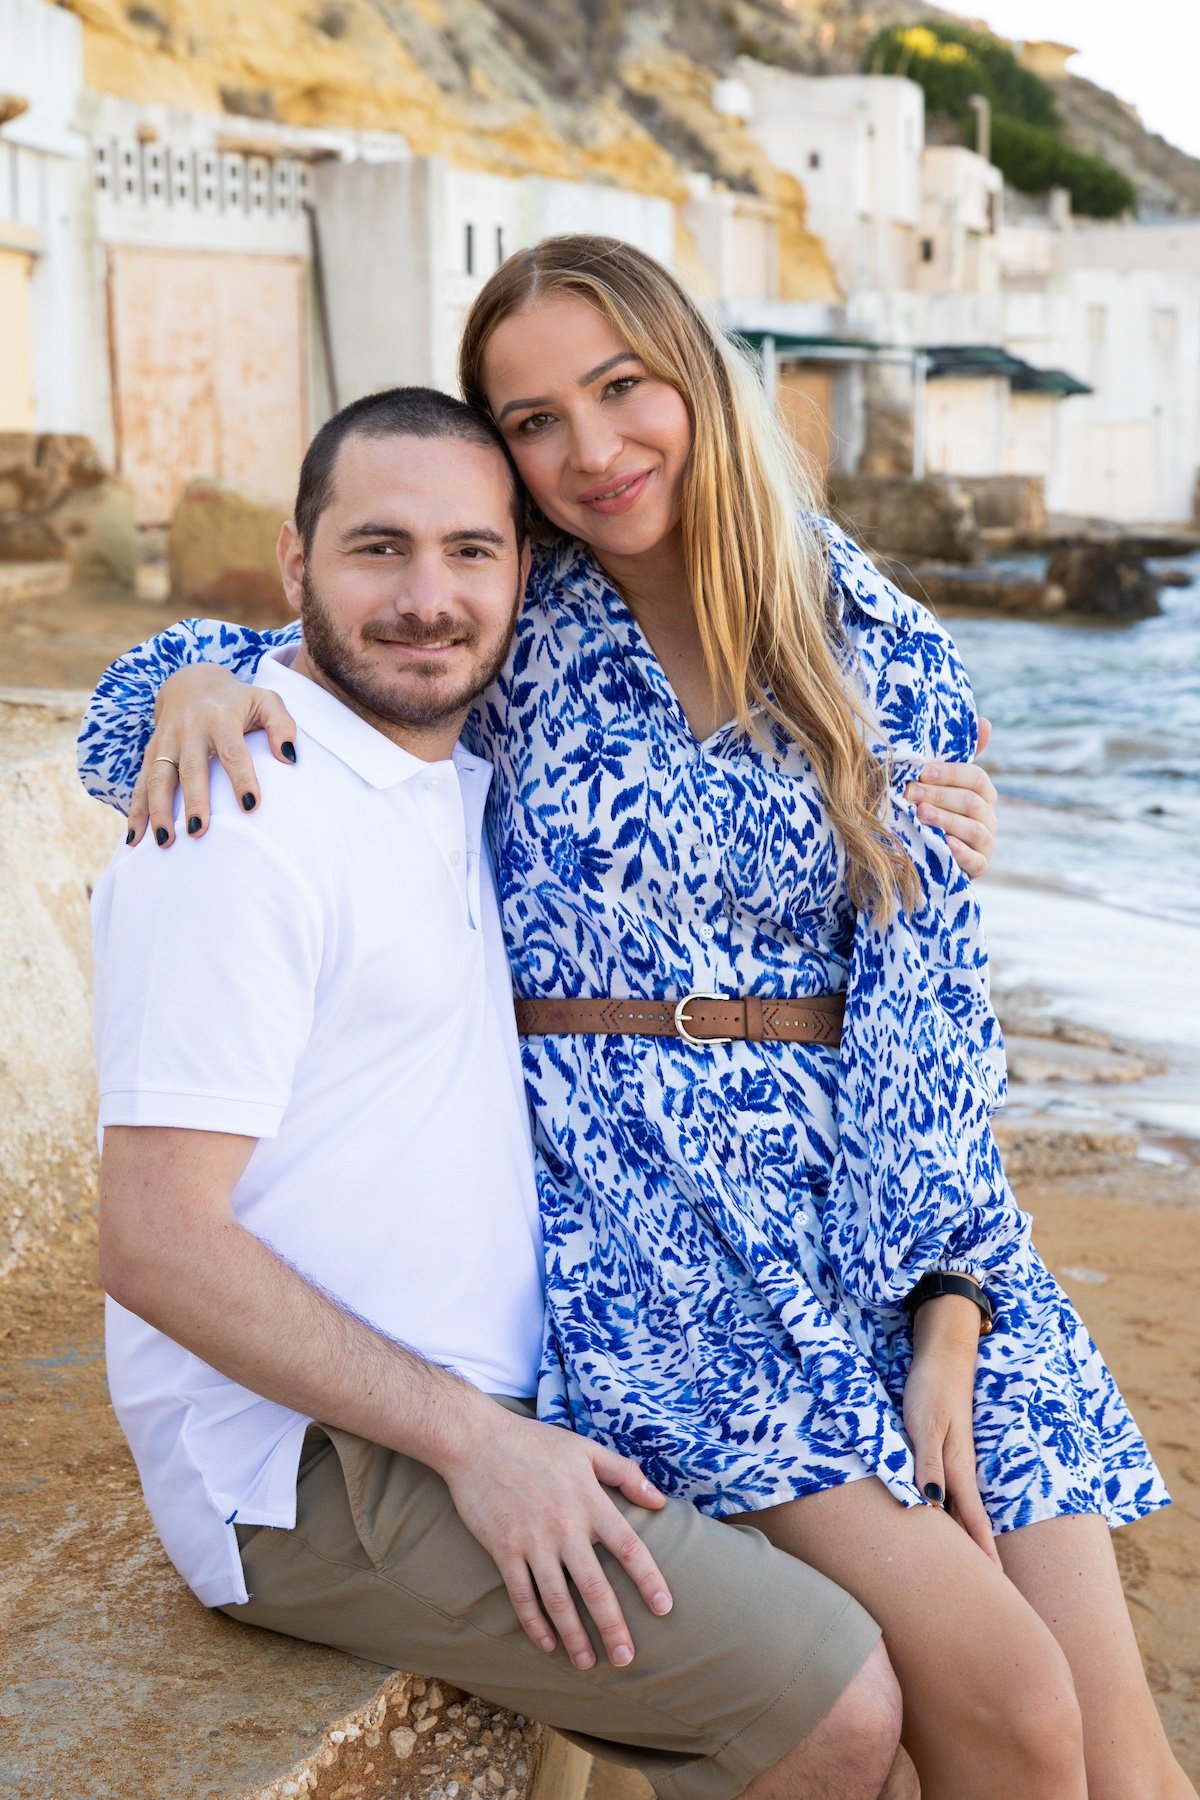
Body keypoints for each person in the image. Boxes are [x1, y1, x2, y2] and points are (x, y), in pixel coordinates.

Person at [78, 237, 1191, 1800]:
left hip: (896, 1212)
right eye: (534, 420)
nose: (590, 450)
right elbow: (281, 649)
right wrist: (184, 695)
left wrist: (949, 1301)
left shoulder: (865, 635)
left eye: (619, 388)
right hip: (658, 1235)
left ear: (695, 379)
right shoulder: (518, 612)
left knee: (1119, 1750)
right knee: (1003, 1702)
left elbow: (930, 992)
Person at [91, 385, 905, 1800]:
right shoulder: (238, 816)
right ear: (295, 566)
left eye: (472, 551)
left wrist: (923, 798)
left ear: (524, 576)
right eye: (378, 549)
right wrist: (481, 1446)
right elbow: (156, 1242)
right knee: (833, 1700)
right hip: (308, 1468)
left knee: (906, 1606)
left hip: (513, 1385)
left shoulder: (461, 775)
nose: (427, 598)